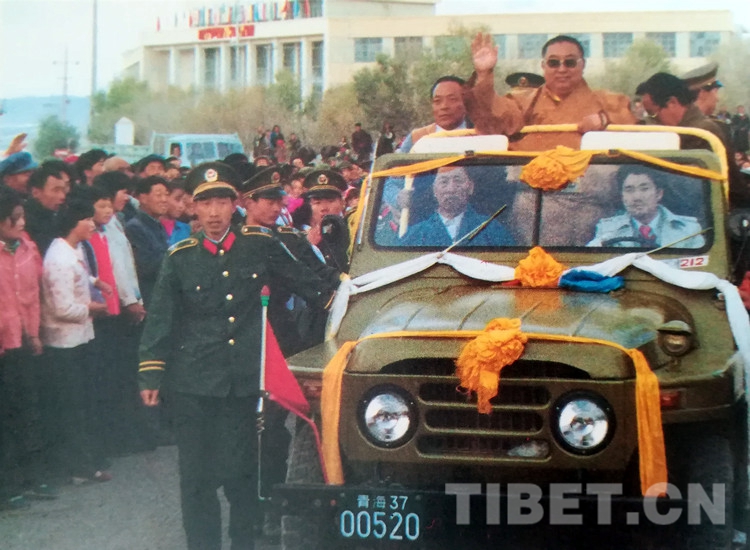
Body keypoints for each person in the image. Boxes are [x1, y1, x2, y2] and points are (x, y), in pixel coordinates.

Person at [137, 161, 336, 550]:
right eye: (205, 203)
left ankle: (242, 541)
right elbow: (161, 319)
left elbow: (307, 283)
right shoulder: (180, 257)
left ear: (235, 205)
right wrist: (151, 373)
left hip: (242, 384)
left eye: (221, 202)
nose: (213, 213)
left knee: (241, 474)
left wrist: (345, 302)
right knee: (196, 479)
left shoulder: (259, 245)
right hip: (193, 385)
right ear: (194, 207)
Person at [39, 200, 112, 485]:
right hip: (64, 342)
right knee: (72, 409)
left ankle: (88, 462)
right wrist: (94, 308)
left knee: (84, 403)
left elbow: (79, 274)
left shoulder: (74, 249)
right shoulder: (58, 258)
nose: (92, 224)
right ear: (74, 224)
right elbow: (62, 308)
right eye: (87, 220)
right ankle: (79, 467)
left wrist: (95, 282)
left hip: (80, 338)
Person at [465, 33, 636, 150]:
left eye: (570, 62)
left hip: (587, 185)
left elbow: (629, 118)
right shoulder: (525, 101)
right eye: (554, 63)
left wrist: (604, 119)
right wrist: (484, 74)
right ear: (543, 66)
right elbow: (496, 117)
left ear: (582, 64)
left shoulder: (604, 100)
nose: (562, 69)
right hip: (532, 184)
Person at [0, 187, 54, 510]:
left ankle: (32, 477)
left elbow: (33, 295)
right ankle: (7, 485)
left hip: (23, 341)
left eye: (22, 217)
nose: (21, 223)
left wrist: (34, 334)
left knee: (27, 410)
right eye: (15, 217)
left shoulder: (27, 247)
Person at [635, 72, 750, 208]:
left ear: (672, 102)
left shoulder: (701, 133)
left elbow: (685, 188)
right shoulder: (685, 129)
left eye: (652, 114)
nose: (652, 121)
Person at [587, 166, 704, 248]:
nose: (637, 197)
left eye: (644, 189)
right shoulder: (607, 229)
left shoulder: (689, 230)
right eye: (629, 190)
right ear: (622, 196)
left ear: (659, 194)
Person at [400, 166, 515, 247]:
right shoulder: (416, 233)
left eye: (458, 181)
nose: (451, 189)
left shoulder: (491, 229)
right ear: (434, 190)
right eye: (444, 182)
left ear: (470, 187)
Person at [125, 176, 170, 307]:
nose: (164, 199)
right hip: (148, 297)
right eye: (159, 195)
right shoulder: (135, 227)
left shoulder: (157, 224)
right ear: (143, 198)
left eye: (166, 195)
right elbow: (145, 266)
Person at [399, 76, 470, 153]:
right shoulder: (417, 138)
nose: (444, 106)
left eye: (452, 99)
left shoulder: (476, 135)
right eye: (437, 101)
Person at [299, 169, 350, 270]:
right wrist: (308, 246)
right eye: (317, 203)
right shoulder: (301, 239)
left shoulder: (353, 231)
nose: (324, 208)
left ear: (342, 203)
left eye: (330, 201)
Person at [24, 161, 70, 256]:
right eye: (56, 190)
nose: (62, 196)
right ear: (36, 192)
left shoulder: (62, 215)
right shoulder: (25, 222)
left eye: (63, 190)